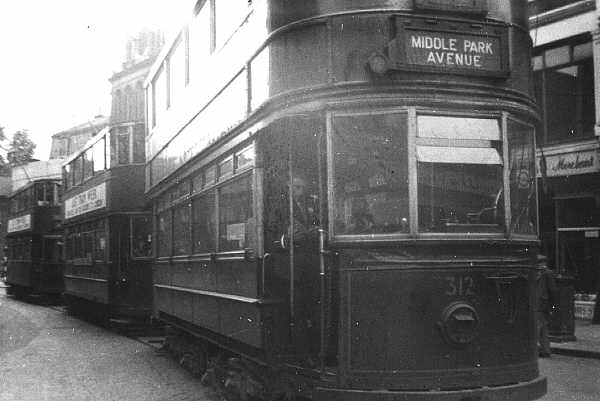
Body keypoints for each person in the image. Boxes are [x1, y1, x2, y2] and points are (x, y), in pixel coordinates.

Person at [536, 256, 557, 357]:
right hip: (538, 303)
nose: (540, 265)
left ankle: (534, 349)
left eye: (541, 263)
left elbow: (552, 290)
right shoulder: (537, 273)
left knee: (538, 327)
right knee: (543, 327)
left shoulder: (548, 274)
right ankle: (545, 349)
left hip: (542, 303)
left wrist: (552, 306)